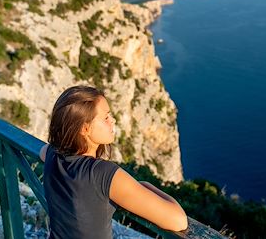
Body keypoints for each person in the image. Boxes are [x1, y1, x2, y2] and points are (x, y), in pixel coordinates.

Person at [40, 85, 187, 239]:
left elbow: (43, 151)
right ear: (84, 129)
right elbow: (179, 221)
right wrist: (144, 185)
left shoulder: (53, 154)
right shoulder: (101, 173)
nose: (113, 120)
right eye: (106, 118)